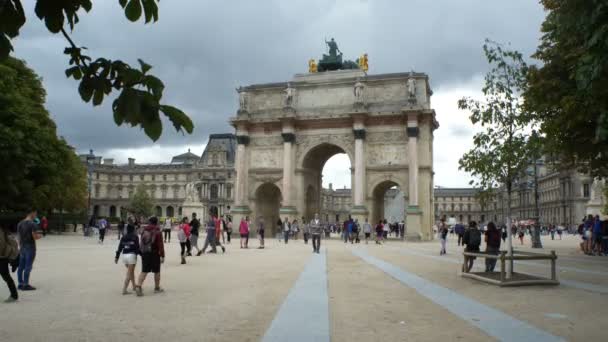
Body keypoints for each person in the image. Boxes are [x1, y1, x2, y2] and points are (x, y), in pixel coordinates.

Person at [135, 217, 165, 296]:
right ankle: (157, 288)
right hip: (155, 253)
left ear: (149, 222)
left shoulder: (144, 230)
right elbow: (160, 245)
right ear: (156, 222)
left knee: (144, 270)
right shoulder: (158, 231)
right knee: (157, 271)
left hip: (145, 253)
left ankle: (138, 286)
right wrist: (162, 255)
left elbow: (142, 242)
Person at [17, 209, 40, 291]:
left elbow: (19, 237)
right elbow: (35, 236)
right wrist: (39, 236)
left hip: (22, 246)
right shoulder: (33, 224)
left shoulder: (20, 223)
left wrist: (20, 246)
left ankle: (20, 283)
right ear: (32, 213)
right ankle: (26, 284)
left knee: (21, 266)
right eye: (35, 214)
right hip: (30, 246)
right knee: (28, 266)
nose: (36, 216)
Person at [115, 224, 140, 294]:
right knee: (129, 273)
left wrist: (116, 257)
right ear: (133, 229)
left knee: (131, 272)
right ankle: (124, 289)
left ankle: (134, 286)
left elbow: (120, 247)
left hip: (124, 256)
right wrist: (142, 255)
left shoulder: (123, 237)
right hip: (131, 256)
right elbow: (137, 248)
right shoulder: (135, 237)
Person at [0, 223, 19, 302]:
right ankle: (14, 295)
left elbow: (1, 245)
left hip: (1, 258)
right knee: (6, 277)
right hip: (2, 257)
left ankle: (14, 296)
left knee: (6, 277)